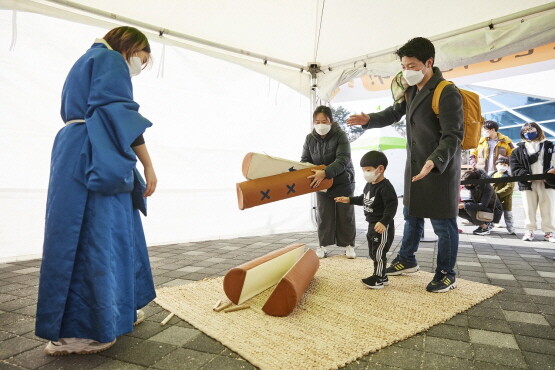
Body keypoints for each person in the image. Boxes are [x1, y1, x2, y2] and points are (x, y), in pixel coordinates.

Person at [36, 27, 158, 355]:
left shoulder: (85, 60)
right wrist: (148, 164)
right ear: (131, 46)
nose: (140, 65)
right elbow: (120, 115)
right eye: (142, 59)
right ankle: (83, 331)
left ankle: (117, 312)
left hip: (75, 150)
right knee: (97, 234)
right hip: (95, 152)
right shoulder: (109, 59)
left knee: (91, 230)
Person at [347, 37, 463, 293]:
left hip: (438, 169)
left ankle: (447, 273)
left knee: (443, 224)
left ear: (428, 63)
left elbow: (453, 135)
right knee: (411, 215)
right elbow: (393, 112)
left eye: (411, 65)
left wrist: (434, 160)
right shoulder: (410, 89)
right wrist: (369, 119)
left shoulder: (446, 91)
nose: (406, 70)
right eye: (403, 65)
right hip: (415, 167)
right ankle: (407, 259)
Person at [335, 151, 398, 289]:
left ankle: (379, 278)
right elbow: (364, 199)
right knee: (373, 252)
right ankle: (383, 275)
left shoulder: (386, 187)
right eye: (363, 170)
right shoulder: (370, 184)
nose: (365, 173)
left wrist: (384, 222)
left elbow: (392, 206)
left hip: (382, 226)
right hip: (372, 225)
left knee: (379, 253)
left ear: (380, 169)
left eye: (368, 170)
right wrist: (349, 199)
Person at [302, 105, 357, 259]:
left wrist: (325, 172)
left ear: (331, 121)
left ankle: (349, 245)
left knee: (344, 214)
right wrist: (309, 172)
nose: (320, 125)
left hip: (343, 180)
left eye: (324, 121)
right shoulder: (309, 138)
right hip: (320, 183)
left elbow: (343, 159)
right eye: (317, 121)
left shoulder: (341, 135)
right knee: (324, 214)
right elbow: (305, 160)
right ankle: (323, 246)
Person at [510, 122, 555, 242]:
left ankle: (549, 232)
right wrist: (524, 175)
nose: (528, 133)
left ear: (538, 130)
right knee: (528, 208)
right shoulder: (518, 149)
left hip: (547, 182)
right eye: (525, 131)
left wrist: (551, 171)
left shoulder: (549, 146)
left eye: (530, 130)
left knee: (548, 207)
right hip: (528, 183)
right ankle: (529, 230)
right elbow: (515, 167)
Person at [458, 170, 503, 235]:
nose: (465, 185)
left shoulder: (486, 187)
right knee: (459, 209)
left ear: (473, 181)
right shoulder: (473, 186)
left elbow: (483, 205)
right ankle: (483, 223)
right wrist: (462, 203)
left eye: (467, 183)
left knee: (468, 207)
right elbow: (472, 201)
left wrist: (465, 205)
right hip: (484, 209)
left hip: (493, 212)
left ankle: (485, 227)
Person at [491, 156, 516, 235]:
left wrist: (497, 194)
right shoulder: (492, 174)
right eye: (501, 164)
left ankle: (511, 228)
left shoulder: (509, 176)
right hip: (493, 200)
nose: (502, 166)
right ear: (496, 165)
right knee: (492, 213)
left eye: (505, 165)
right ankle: (490, 226)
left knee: (508, 215)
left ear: (508, 166)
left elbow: (509, 187)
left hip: (505, 200)